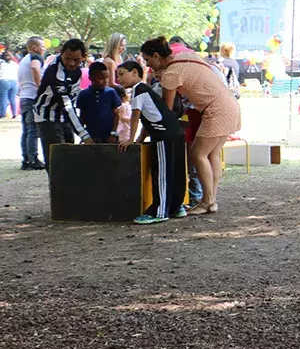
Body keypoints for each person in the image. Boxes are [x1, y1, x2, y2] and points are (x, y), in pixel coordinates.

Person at [140, 36, 241, 214]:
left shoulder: (171, 73)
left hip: (215, 110)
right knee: (212, 154)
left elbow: (167, 111)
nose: (148, 66)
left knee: (198, 154)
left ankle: (207, 201)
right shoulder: (187, 56)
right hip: (230, 105)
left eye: (148, 60)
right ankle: (211, 200)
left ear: (156, 56)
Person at [116, 61, 187, 224]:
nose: (119, 79)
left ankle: (160, 211)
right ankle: (176, 206)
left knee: (162, 173)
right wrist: (140, 139)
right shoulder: (145, 90)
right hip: (175, 133)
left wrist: (130, 139)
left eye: (121, 74)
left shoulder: (138, 90)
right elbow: (148, 119)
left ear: (134, 72)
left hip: (164, 135)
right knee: (175, 171)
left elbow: (136, 116)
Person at [34, 39, 95, 165]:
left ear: (83, 57)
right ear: (61, 54)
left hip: (64, 116)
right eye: (67, 58)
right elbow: (66, 104)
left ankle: (68, 183)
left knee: (69, 153)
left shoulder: (77, 71)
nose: (71, 63)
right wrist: (84, 135)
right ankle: (57, 184)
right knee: (56, 157)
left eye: (76, 60)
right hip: (48, 116)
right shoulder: (55, 72)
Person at [75, 62, 122, 143]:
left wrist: (113, 133)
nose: (105, 81)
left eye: (107, 77)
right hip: (91, 137)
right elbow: (82, 116)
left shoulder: (111, 92)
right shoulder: (83, 94)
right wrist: (84, 136)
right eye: (101, 78)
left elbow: (116, 115)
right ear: (91, 78)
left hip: (109, 136)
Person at [18, 37, 47, 169]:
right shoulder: (35, 57)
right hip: (32, 97)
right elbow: (35, 68)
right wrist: (40, 87)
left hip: (24, 96)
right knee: (33, 130)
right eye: (42, 46)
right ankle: (33, 159)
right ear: (35, 47)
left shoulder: (23, 60)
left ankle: (26, 159)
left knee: (26, 130)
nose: (44, 49)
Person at [0, 52, 18, 119]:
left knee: (3, 98)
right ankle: (14, 113)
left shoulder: (2, 64)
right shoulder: (15, 64)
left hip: (4, 80)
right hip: (14, 80)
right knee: (12, 98)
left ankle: (2, 114)